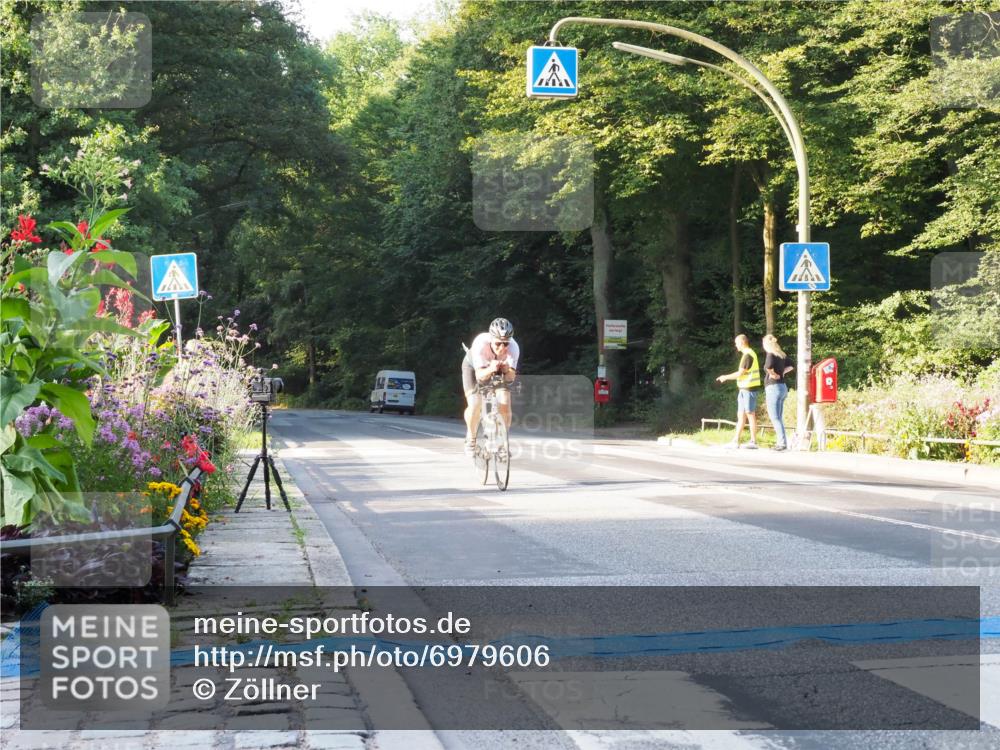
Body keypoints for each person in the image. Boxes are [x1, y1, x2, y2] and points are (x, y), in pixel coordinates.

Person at [463, 318, 520, 456]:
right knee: (475, 403)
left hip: (498, 368)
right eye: (498, 343)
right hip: (474, 368)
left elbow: (510, 378)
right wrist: (490, 369)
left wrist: (506, 370)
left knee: (505, 400)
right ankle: (471, 438)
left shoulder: (514, 347)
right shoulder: (480, 344)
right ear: (491, 340)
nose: (502, 348)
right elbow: (480, 377)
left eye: (506, 343)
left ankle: (502, 443)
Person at [716, 334, 761, 449]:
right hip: (744, 389)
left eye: (736, 343)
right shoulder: (747, 354)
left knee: (750, 414)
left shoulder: (748, 355)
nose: (735, 345)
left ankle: (753, 442)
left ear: (742, 343)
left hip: (749, 389)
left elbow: (740, 373)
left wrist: (725, 377)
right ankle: (735, 441)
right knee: (741, 415)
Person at [762, 334, 794, 451]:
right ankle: (782, 442)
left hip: (773, 388)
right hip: (782, 387)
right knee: (779, 417)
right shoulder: (781, 354)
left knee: (775, 417)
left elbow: (768, 367)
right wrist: (782, 372)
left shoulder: (770, 354)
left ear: (766, 344)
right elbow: (792, 365)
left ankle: (782, 443)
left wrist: (773, 374)